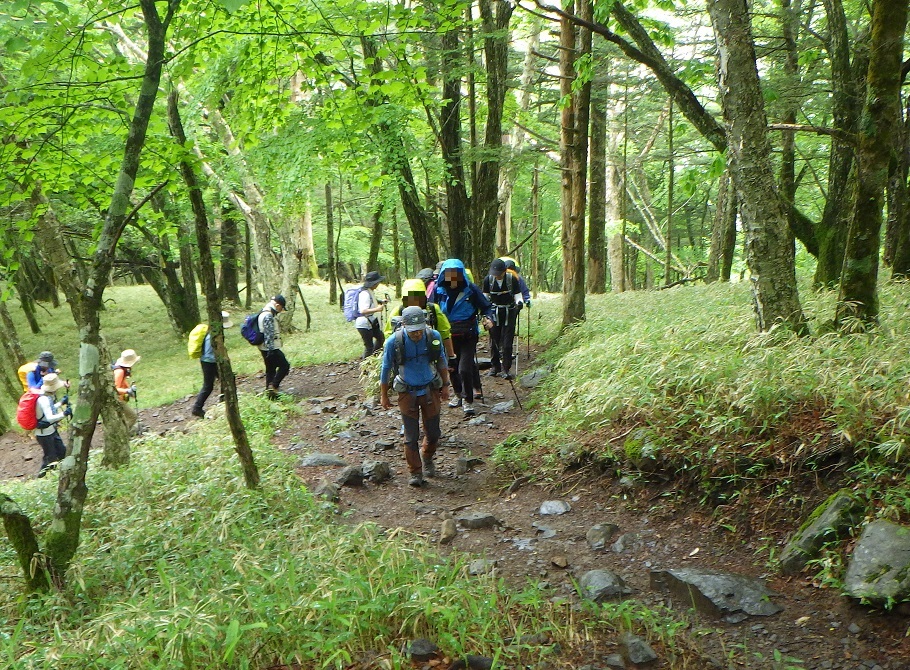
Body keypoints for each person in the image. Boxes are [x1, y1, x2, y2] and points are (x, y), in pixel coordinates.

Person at [379, 306, 450, 487]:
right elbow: (386, 368)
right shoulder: (393, 342)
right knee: (411, 436)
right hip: (406, 392)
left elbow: (441, 359)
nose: (417, 334)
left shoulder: (433, 336)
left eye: (419, 330)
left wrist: (446, 385)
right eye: (412, 331)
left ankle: (427, 457)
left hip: (429, 389)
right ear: (404, 326)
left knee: (433, 433)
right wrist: (384, 395)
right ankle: (415, 472)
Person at [430, 258, 493, 416]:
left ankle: (468, 399)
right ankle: (458, 394)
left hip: (468, 334)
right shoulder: (438, 290)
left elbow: (486, 307)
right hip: (447, 335)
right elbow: (430, 308)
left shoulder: (470, 289)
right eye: (449, 273)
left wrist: (488, 318)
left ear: (461, 274)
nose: (452, 276)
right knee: (452, 366)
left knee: (464, 368)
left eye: (456, 273)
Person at [385, 278, 456, 362]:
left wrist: (451, 357)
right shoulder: (398, 312)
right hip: (406, 359)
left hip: (431, 357)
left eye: (418, 298)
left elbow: (445, 333)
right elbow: (389, 336)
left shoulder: (433, 310)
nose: (415, 302)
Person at [483, 258, 524, 379]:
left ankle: (506, 368)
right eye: (494, 274)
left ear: (504, 271)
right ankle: (495, 367)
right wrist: (485, 313)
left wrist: (519, 303)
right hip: (494, 312)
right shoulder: (488, 280)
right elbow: (485, 297)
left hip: (509, 312)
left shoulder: (512, 280)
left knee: (507, 342)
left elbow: (517, 295)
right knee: (494, 340)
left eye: (499, 274)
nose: (497, 276)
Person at [191, 311, 233, 418]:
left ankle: (224, 399)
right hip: (209, 362)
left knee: (225, 379)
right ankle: (197, 408)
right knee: (208, 385)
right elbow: (212, 352)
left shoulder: (212, 331)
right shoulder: (213, 335)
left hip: (209, 360)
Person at [34, 373, 70, 478]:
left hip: (51, 431)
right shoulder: (44, 399)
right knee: (50, 457)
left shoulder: (45, 396)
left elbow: (49, 409)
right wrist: (64, 414)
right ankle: (41, 478)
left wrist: (61, 403)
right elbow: (49, 417)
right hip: (44, 434)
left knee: (62, 452)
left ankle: (64, 474)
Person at [259, 295, 291, 399]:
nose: (281, 310)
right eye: (281, 308)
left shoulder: (263, 311)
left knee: (270, 369)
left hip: (263, 347)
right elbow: (268, 334)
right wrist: (271, 350)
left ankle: (270, 394)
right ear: (277, 305)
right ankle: (274, 386)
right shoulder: (268, 315)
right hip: (270, 348)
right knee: (284, 365)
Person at [355, 271, 387, 357]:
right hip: (364, 323)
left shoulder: (369, 291)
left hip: (370, 322)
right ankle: (365, 367)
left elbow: (371, 301)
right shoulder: (364, 294)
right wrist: (377, 309)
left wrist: (380, 301)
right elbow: (363, 310)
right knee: (369, 346)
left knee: (381, 338)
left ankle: (374, 358)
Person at [113, 348, 140, 429]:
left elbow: (123, 383)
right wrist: (127, 391)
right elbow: (115, 388)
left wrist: (130, 391)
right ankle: (123, 435)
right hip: (117, 399)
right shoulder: (119, 371)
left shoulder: (122, 370)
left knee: (123, 418)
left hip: (121, 398)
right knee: (132, 417)